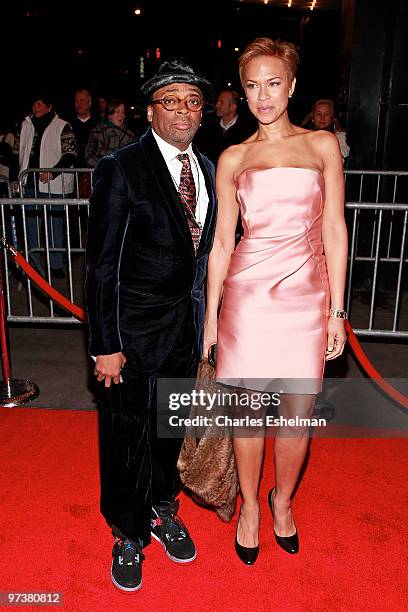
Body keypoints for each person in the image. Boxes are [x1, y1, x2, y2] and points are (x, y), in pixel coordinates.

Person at [204, 38, 348, 565]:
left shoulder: (322, 146)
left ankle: (281, 501)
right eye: (251, 85)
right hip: (247, 298)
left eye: (272, 84)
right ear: (242, 92)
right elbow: (221, 242)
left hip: (308, 297)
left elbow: (335, 228)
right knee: (247, 416)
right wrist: (210, 322)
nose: (262, 96)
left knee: (295, 416)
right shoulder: (233, 156)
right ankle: (248, 507)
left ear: (291, 86)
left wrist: (337, 311)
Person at [85, 58, 216, 592]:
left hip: (184, 330)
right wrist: (105, 344)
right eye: (171, 100)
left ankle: (162, 507)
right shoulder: (120, 167)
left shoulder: (209, 167)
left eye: (192, 101)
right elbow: (101, 266)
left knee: (168, 430)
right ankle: (127, 531)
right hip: (132, 334)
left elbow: (206, 255)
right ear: (149, 111)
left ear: (202, 112)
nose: (182, 110)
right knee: (125, 434)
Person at [15, 91, 77, 276]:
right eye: (34, 104)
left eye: (40, 104)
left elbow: (70, 155)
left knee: (54, 227)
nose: (36, 107)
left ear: (49, 107)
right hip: (29, 184)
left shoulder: (63, 126)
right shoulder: (26, 125)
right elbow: (17, 154)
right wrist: (15, 178)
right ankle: (33, 264)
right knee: (30, 227)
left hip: (53, 187)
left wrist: (52, 172)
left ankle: (55, 265)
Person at [197, 89, 254, 164]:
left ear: (233, 107)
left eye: (222, 102)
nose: (217, 105)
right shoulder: (209, 129)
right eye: (218, 101)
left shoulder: (247, 132)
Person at [84, 97, 135, 168]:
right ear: (109, 115)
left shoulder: (129, 135)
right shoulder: (96, 133)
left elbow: (132, 157)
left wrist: (102, 152)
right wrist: (105, 166)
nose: (121, 115)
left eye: (123, 112)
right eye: (117, 112)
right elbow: (88, 156)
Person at [303, 98, 350, 163]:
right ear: (313, 117)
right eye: (319, 114)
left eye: (327, 114)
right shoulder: (304, 136)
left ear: (332, 118)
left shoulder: (339, 137)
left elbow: (341, 158)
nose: (322, 118)